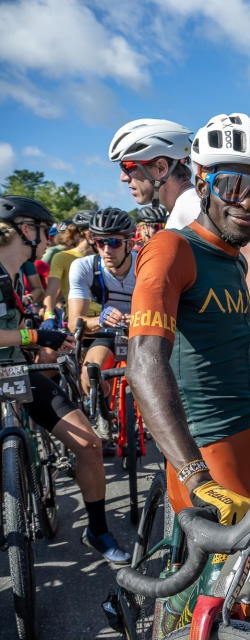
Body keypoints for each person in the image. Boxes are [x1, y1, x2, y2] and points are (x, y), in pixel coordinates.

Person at [126, 113, 250, 639]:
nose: (249, 199)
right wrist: (194, 477)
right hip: (211, 461)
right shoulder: (171, 248)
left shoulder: (230, 259)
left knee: (232, 601)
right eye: (234, 182)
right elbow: (144, 363)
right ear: (201, 178)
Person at [0, 196, 129, 564]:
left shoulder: (18, 275)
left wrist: (45, 338)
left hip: (17, 372)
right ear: (26, 230)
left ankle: (98, 531)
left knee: (88, 444)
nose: (48, 239)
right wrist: (35, 338)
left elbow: (23, 327)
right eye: (44, 232)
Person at [67, 208, 137, 423]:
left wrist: (141, 317)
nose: (107, 249)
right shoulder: (84, 266)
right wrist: (100, 320)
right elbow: (74, 323)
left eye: (114, 242)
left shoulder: (145, 264)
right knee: (90, 374)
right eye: (100, 242)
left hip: (143, 329)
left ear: (130, 244)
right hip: (108, 333)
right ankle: (106, 409)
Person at [109, 118, 196, 226]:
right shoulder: (180, 213)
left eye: (128, 167)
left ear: (161, 168)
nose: (123, 177)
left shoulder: (190, 217)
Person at [42, 209, 96, 330]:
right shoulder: (62, 257)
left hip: (105, 319)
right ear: (88, 233)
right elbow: (51, 292)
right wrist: (49, 316)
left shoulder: (104, 256)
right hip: (77, 319)